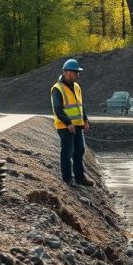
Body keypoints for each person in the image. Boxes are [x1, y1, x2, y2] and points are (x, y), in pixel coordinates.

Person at [50, 59, 94, 187]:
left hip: (78, 125)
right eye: (76, 72)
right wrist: (68, 123)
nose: (78, 75)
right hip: (65, 126)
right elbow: (57, 108)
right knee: (67, 152)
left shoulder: (76, 86)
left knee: (79, 150)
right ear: (67, 72)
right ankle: (67, 179)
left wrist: (85, 120)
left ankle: (80, 177)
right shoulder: (57, 88)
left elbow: (80, 105)